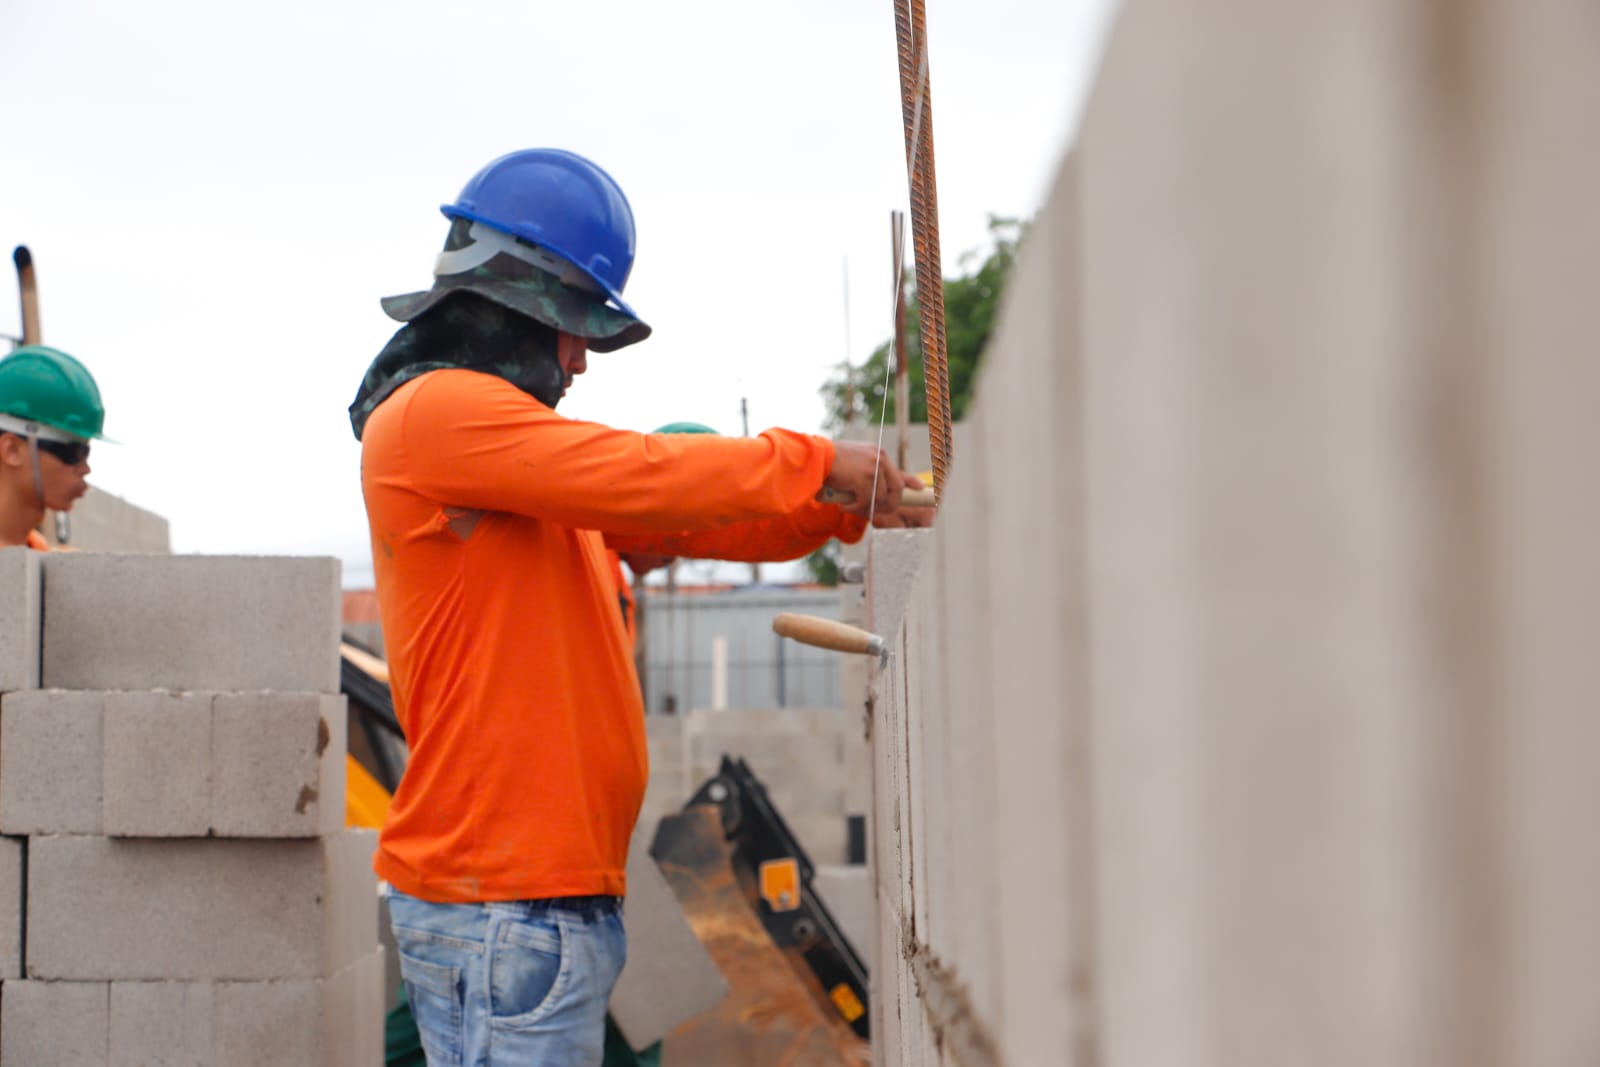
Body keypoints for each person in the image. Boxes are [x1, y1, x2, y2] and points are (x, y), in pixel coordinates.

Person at [350, 147, 922, 1067]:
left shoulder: (514, 478)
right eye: (573, 327)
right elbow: (643, 473)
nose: (580, 358)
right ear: (511, 304)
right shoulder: (433, 415)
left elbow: (688, 522)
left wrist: (838, 507)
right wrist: (814, 461)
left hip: (532, 902)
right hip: (503, 904)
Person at [0, 344, 106, 549]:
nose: (85, 469)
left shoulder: (40, 555)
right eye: (74, 452)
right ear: (12, 450)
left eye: (87, 452)